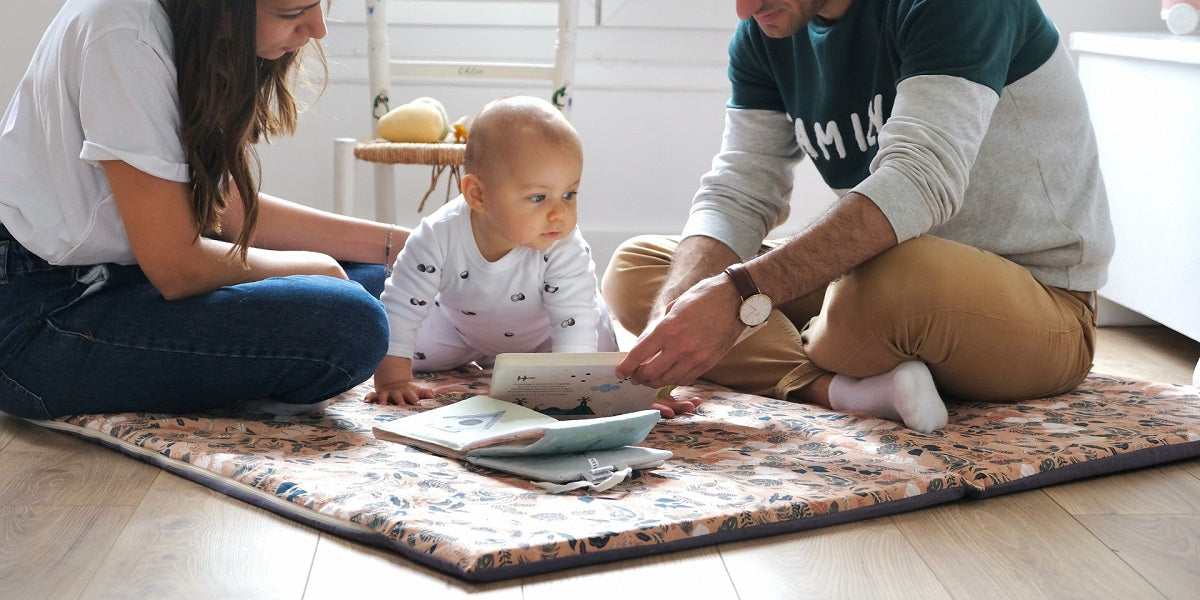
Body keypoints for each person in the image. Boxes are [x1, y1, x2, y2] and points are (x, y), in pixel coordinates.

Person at [604, 0, 1114, 432]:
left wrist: (741, 295)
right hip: (877, 272)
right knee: (640, 272)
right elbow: (739, 190)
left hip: (1043, 304)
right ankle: (838, 388)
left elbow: (922, 177)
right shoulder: (767, 29)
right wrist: (671, 326)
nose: (743, 9)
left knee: (872, 292)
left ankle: (818, 351)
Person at [0, 0, 405, 419]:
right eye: (291, 13)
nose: (318, 29)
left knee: (381, 277)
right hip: (41, 315)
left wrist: (400, 244)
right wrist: (316, 268)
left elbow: (221, 208)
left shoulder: (185, 27)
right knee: (351, 323)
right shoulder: (123, 34)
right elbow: (178, 267)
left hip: (125, 277)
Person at [367, 96, 619, 406]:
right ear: (478, 195)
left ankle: (550, 369)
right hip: (458, 329)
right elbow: (403, 305)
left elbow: (574, 318)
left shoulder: (563, 243)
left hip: (542, 338)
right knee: (391, 343)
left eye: (569, 194)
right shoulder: (438, 234)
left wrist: (573, 388)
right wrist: (393, 378)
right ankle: (466, 358)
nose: (559, 214)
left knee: (597, 346)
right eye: (539, 198)